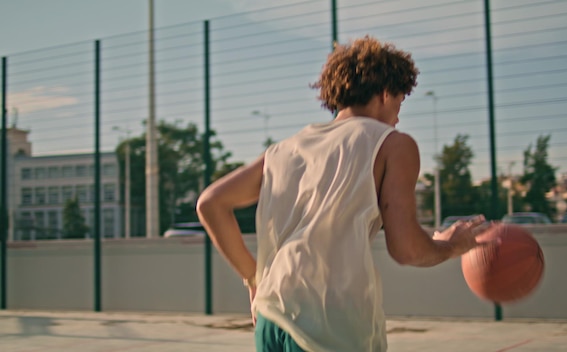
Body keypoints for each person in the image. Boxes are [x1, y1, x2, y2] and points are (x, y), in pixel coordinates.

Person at [196, 36, 492, 352]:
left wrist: (254, 279)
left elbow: (211, 203)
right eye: (399, 103)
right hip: (329, 325)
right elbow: (406, 249)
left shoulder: (284, 150)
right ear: (385, 92)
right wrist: (450, 245)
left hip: (272, 317)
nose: (398, 116)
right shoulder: (393, 144)